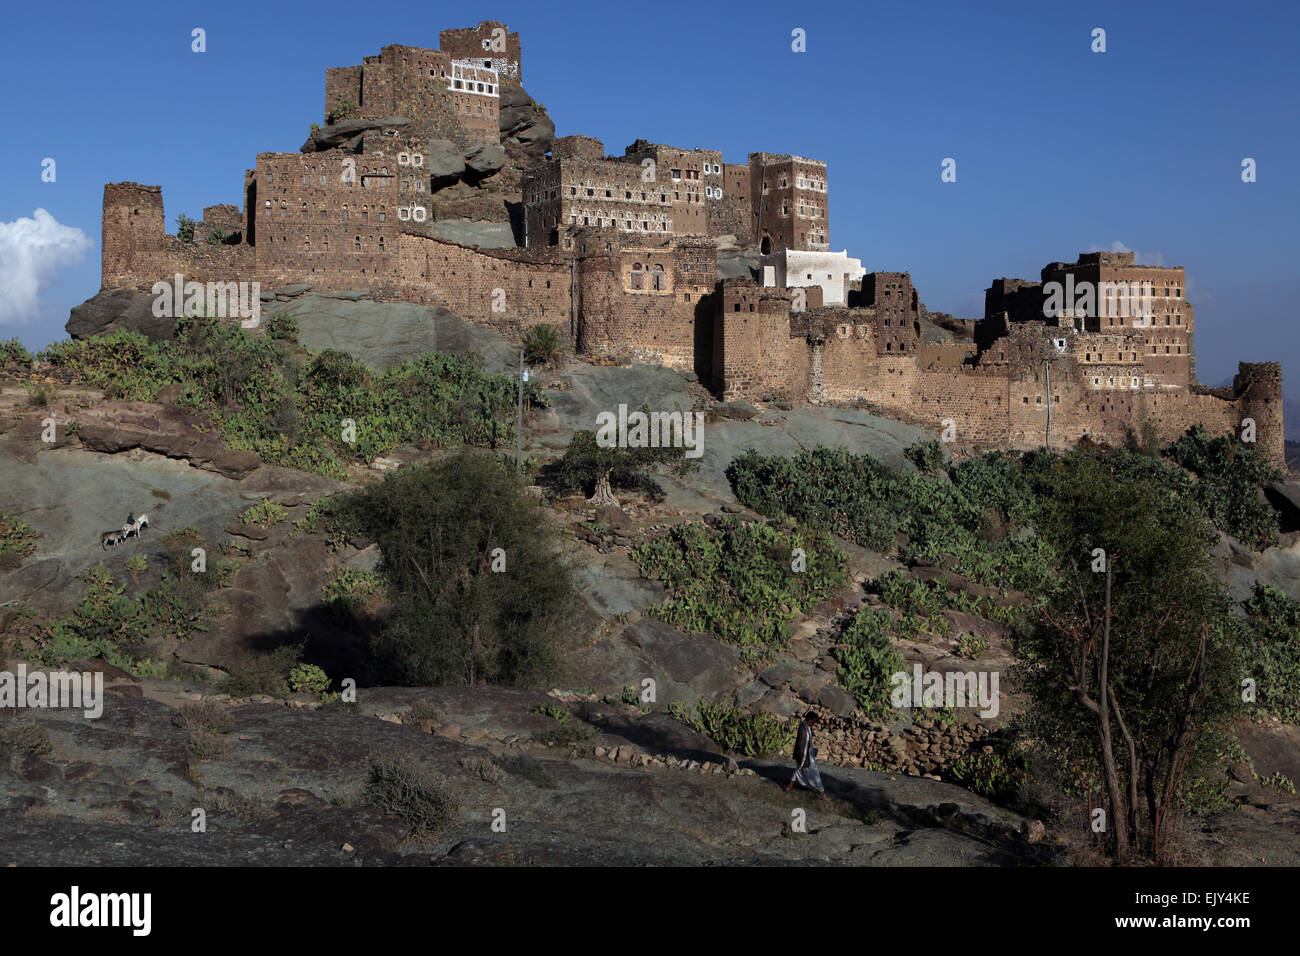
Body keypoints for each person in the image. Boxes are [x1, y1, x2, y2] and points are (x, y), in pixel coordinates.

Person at [786, 711, 826, 798]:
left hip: (807, 754)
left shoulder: (806, 727)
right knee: (815, 774)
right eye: (814, 721)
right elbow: (801, 745)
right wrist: (803, 759)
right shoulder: (804, 729)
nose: (814, 723)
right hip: (805, 756)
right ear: (810, 719)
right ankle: (822, 793)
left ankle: (789, 786)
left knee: (798, 770)